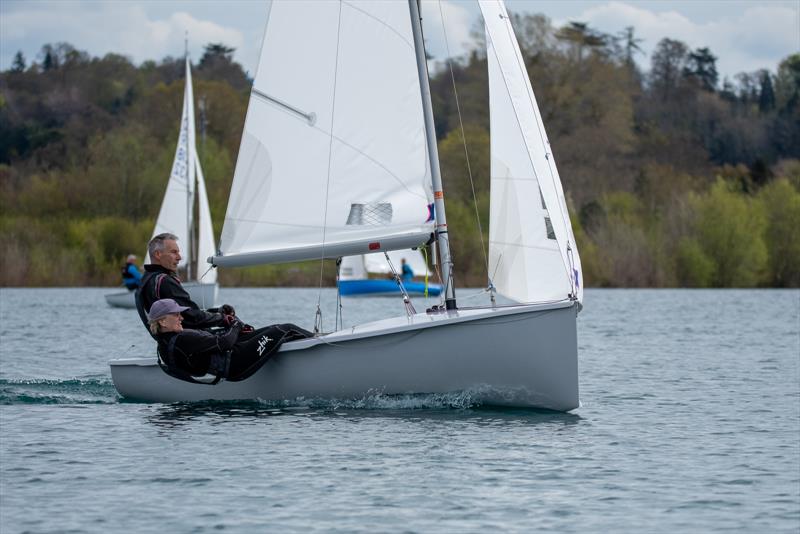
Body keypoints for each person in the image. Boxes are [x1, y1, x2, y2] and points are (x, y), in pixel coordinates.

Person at [147, 298, 313, 383]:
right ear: (162, 321)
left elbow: (205, 340)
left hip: (229, 361)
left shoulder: (164, 344)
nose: (181, 317)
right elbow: (224, 343)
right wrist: (235, 324)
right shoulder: (183, 338)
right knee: (284, 329)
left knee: (275, 331)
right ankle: (317, 342)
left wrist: (222, 317)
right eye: (176, 314)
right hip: (237, 362)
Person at [136, 233, 231, 331]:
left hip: (173, 341)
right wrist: (223, 318)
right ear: (158, 254)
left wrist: (217, 312)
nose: (179, 257)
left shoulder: (146, 280)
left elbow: (183, 313)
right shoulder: (165, 282)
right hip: (190, 342)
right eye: (174, 252)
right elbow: (191, 317)